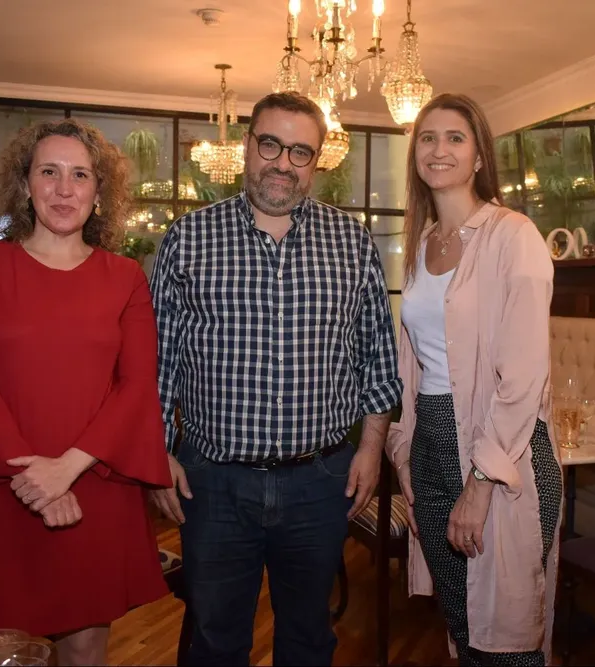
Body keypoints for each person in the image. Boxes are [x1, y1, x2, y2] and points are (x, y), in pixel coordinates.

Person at [149, 92, 402, 666]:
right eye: (270, 144)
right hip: (211, 483)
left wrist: (370, 448)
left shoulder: (352, 242)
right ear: (246, 146)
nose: (282, 163)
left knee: (310, 638)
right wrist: (157, 451)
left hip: (320, 482)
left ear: (316, 163)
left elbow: (377, 360)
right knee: (215, 639)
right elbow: (157, 362)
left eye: (300, 152)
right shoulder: (188, 240)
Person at [0, 118, 172, 666]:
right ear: (25, 184)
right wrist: (36, 479)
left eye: (80, 175)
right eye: (49, 172)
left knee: (85, 649)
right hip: (2, 485)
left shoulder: (126, 277)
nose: (64, 188)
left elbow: (136, 385)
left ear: (99, 193)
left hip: (95, 485)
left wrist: (67, 469)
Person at [385, 93, 563, 666]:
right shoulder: (421, 244)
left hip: (502, 453)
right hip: (434, 442)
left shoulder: (514, 237)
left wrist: (481, 484)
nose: (439, 150)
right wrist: (407, 454)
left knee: (506, 635)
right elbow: (415, 364)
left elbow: (523, 376)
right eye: (429, 138)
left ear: (480, 155)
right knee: (464, 626)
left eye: (455, 138)